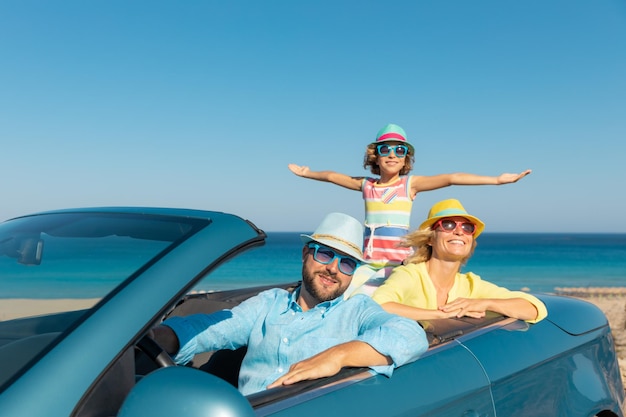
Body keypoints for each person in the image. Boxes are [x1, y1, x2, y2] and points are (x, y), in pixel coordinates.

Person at [150, 212, 428, 396]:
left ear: (352, 272)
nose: (333, 268)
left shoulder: (356, 312)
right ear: (306, 253)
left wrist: (337, 356)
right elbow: (215, 328)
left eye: (346, 263)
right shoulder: (268, 304)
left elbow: (411, 336)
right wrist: (163, 336)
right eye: (325, 254)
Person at [288, 123, 532, 294]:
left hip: (399, 264)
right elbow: (332, 176)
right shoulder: (367, 185)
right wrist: (307, 173)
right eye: (386, 150)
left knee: (395, 301)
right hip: (369, 264)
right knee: (347, 297)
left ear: (406, 158)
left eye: (400, 150)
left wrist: (497, 180)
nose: (392, 154)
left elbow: (452, 177)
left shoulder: (409, 185)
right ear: (375, 156)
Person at [371, 198, 547, 323]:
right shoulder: (410, 274)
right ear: (430, 239)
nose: (459, 231)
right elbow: (378, 306)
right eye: (448, 225)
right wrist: (440, 315)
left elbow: (533, 308)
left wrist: (485, 303)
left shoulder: (471, 285)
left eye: (467, 227)